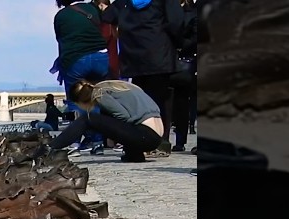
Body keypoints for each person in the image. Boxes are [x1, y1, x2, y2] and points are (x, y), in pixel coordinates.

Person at [100, 0, 185, 152]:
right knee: (161, 100)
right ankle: (161, 142)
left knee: (141, 102)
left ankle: (142, 139)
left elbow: (107, 15)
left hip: (133, 56)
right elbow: (176, 22)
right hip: (159, 51)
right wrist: (176, 41)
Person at [49, 79, 164, 162]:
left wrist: (109, 131)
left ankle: (49, 148)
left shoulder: (100, 94)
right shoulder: (115, 87)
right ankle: (134, 154)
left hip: (146, 135)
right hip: (155, 135)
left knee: (87, 119)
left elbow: (124, 116)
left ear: (80, 102)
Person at [51, 0, 110, 149]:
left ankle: (75, 141)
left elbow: (61, 41)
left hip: (76, 60)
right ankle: (97, 142)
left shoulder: (61, 16)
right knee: (95, 99)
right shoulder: (93, 9)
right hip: (101, 58)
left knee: (75, 100)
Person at [169, 0, 197, 150]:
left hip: (186, 60)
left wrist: (178, 43)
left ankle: (180, 140)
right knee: (180, 102)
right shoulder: (185, 13)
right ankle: (179, 140)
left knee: (182, 102)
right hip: (180, 61)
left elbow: (193, 39)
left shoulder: (190, 14)